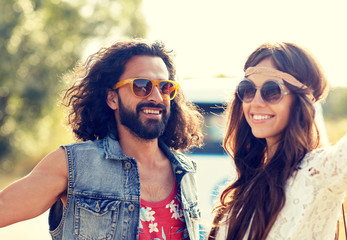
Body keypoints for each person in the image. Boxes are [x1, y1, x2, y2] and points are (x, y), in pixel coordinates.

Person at [0, 39, 204, 240]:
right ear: (112, 98)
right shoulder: (73, 165)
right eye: (142, 86)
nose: (157, 97)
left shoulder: (185, 171)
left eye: (165, 87)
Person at [208, 42, 347, 240]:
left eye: (271, 91)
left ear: (301, 100)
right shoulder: (244, 185)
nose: (255, 102)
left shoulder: (318, 172)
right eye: (248, 90)